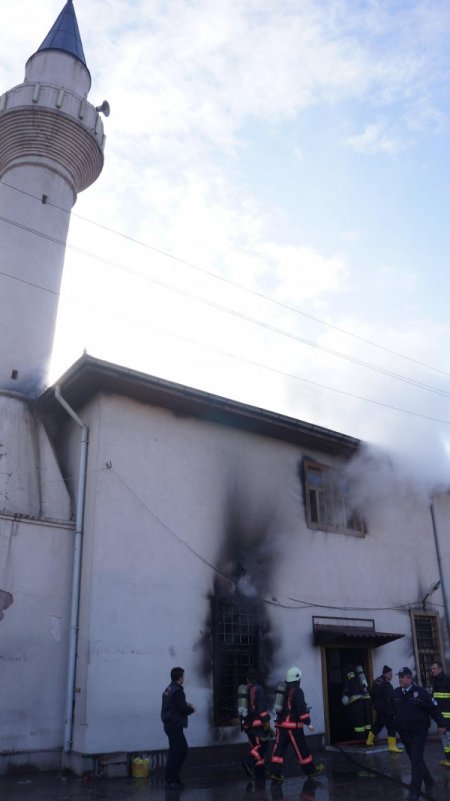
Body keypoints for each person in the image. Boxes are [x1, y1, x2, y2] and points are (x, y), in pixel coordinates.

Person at [392, 665, 445, 801]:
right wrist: (395, 723)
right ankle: (429, 781)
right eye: (399, 678)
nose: (401, 680)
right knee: (415, 758)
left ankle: (414, 791)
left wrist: (441, 723)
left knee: (416, 759)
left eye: (403, 677)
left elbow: (434, 708)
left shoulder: (420, 692)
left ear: (410, 678)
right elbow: (392, 710)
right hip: (404, 732)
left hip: (419, 732)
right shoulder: (396, 693)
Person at [269, 666, 322, 783]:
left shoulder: (283, 689)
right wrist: (308, 723)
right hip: (293, 727)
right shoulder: (297, 690)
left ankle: (275, 773)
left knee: (279, 749)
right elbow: (301, 710)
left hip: (280, 726)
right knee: (301, 748)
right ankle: (310, 771)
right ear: (298, 678)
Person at [161, 666, 196, 790]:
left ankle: (173, 779)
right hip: (174, 725)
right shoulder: (178, 691)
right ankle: (172, 780)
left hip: (169, 724)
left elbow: (173, 704)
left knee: (177, 751)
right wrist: (192, 709)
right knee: (179, 751)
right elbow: (182, 709)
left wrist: (185, 704)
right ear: (180, 677)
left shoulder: (169, 689)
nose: (184, 678)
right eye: (183, 676)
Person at [240, 668, 272, 781]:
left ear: (247, 679)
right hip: (257, 725)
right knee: (262, 746)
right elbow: (262, 709)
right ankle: (248, 761)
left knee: (256, 747)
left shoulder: (244, 690)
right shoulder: (259, 689)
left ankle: (260, 774)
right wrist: (266, 723)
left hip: (247, 726)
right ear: (257, 677)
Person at [366, 664, 402, 752]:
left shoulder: (376, 682)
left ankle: (369, 741)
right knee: (391, 726)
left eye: (391, 673)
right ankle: (392, 746)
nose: (391, 675)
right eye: (390, 674)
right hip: (386, 709)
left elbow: (371, 695)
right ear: (385, 674)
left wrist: (374, 705)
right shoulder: (386, 684)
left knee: (378, 724)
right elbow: (391, 698)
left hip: (378, 708)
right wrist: (394, 710)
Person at [341, 664, 371, 742]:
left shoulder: (348, 673)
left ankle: (360, 740)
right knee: (367, 720)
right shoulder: (360, 673)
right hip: (366, 698)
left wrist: (345, 695)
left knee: (359, 720)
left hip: (356, 700)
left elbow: (347, 686)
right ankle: (369, 738)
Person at [430, 660, 450, 767]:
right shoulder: (435, 681)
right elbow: (434, 698)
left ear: (440, 669)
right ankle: (448, 759)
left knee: (448, 737)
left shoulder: (447, 680)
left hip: (448, 717)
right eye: (431, 669)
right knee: (444, 739)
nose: (432, 671)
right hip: (440, 716)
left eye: (434, 668)